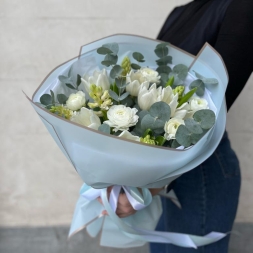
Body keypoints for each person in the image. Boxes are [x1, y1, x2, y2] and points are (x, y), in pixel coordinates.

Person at [113, 0, 253, 252]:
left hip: (200, 170)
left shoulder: (241, 7)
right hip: (169, 171)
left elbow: (214, 110)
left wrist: (151, 186)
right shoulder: (178, 13)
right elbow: (150, 91)